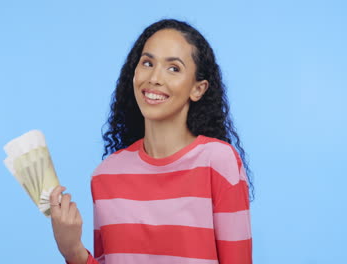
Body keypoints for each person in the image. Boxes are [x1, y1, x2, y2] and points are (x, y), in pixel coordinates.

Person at [49, 19, 254, 264]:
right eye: (147, 63)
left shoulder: (218, 162)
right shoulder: (106, 176)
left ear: (198, 89)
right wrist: (72, 250)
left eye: (174, 68)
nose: (154, 78)